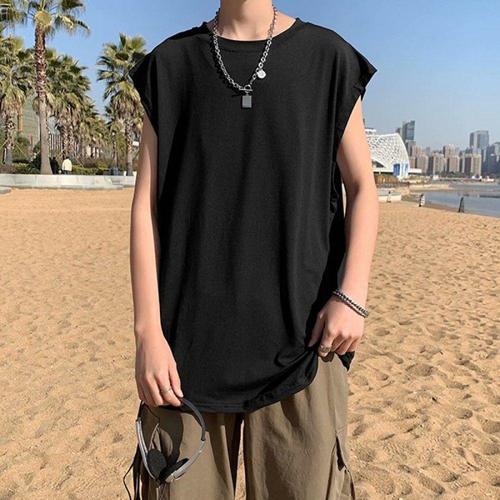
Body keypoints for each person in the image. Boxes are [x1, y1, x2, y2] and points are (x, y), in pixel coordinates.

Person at [128, 2, 379, 499]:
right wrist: (147, 334)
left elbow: (362, 186)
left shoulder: (328, 58)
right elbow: (144, 209)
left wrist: (351, 295)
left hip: (304, 348)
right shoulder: (169, 65)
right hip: (184, 357)